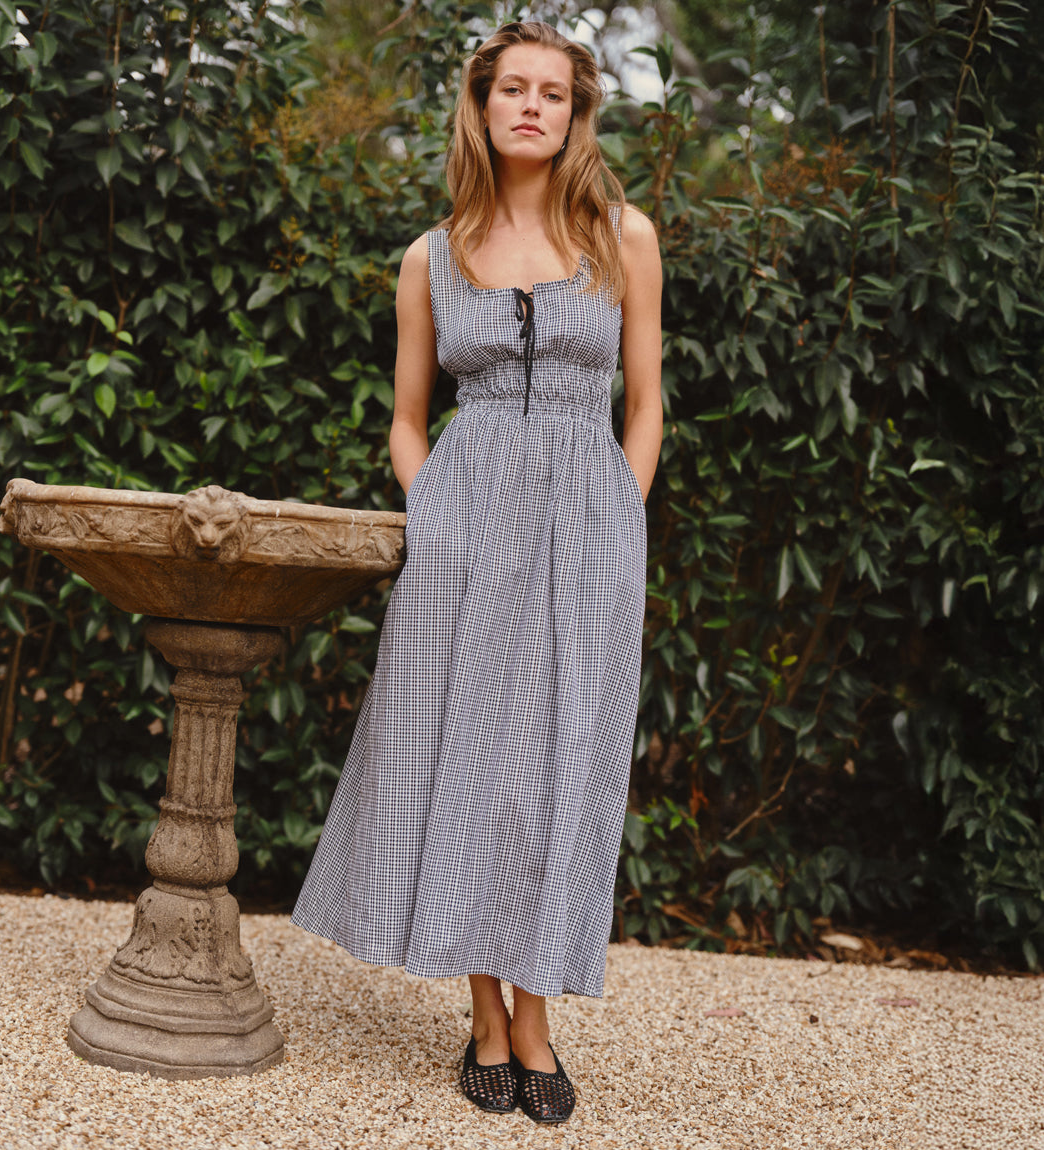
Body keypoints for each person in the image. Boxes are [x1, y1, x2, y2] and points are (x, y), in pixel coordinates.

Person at [291, 19, 663, 1125]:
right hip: (464, 539)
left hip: (588, 536)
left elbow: (644, 405)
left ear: (576, 112)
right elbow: (409, 422)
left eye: (552, 92)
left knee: (556, 771)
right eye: (513, 89)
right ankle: (486, 1017)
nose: (532, 107)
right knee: (463, 764)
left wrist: (619, 517)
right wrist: (435, 516)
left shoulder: (623, 236)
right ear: (482, 105)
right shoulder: (432, 253)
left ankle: (535, 1015)